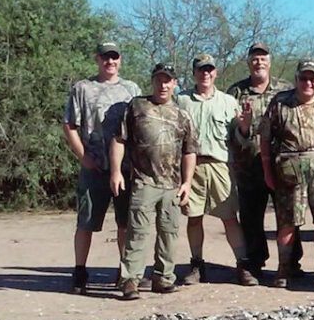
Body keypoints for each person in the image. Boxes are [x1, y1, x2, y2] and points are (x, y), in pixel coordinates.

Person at [108, 63, 197, 300]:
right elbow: (119, 140)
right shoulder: (137, 106)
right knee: (137, 232)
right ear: (152, 81)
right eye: (159, 79)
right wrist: (115, 172)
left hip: (172, 185)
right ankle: (130, 280)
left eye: (168, 80)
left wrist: (187, 182)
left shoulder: (182, 114)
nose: (163, 84)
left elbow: (190, 151)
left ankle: (163, 278)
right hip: (143, 181)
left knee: (169, 232)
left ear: (175, 83)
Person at [62, 41, 141, 295]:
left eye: (114, 57)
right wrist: (83, 156)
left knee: (125, 223)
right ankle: (79, 270)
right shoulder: (82, 88)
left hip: (125, 167)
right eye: (105, 57)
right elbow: (69, 125)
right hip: (95, 166)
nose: (110, 62)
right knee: (86, 222)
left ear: (120, 59)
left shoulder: (131, 89)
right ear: (97, 59)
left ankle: (125, 272)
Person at [175, 53, 253, 286]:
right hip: (192, 167)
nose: (205, 73)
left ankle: (243, 265)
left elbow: (240, 139)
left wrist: (246, 125)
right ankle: (197, 264)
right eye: (201, 69)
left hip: (220, 165)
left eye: (209, 69)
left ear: (216, 73)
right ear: (194, 73)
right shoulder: (181, 101)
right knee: (194, 217)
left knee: (230, 218)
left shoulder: (228, 102)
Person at [259, 59, 314, 287]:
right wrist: (267, 170)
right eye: (303, 78)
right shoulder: (280, 102)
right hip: (289, 165)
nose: (308, 83)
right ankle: (283, 270)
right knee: (287, 221)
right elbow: (265, 138)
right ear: (296, 79)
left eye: (313, 78)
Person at [226, 42, 295, 283]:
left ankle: (290, 263)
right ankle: (253, 263)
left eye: (263, 58)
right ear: (248, 62)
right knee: (251, 217)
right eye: (254, 58)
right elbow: (230, 128)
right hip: (248, 166)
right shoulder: (236, 92)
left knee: (287, 215)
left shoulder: (285, 90)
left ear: (270, 61)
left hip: (281, 165)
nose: (259, 62)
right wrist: (242, 128)